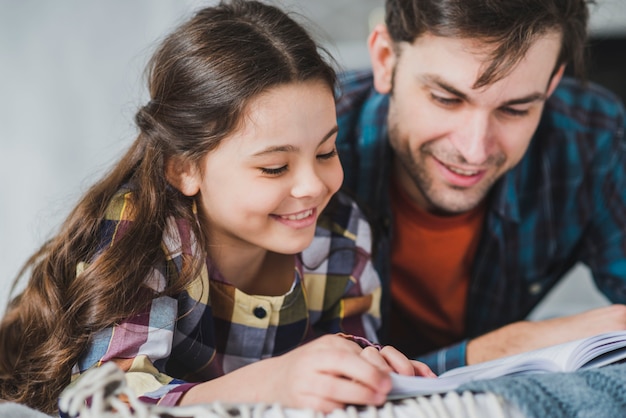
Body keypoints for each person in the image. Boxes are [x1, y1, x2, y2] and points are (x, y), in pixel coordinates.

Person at [0, 1, 434, 414]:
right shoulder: (147, 235)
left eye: (325, 152)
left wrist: (378, 371)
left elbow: (353, 351)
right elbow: (106, 400)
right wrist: (271, 383)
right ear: (184, 168)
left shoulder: (342, 237)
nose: (313, 186)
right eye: (274, 167)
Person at [335, 0, 626, 374]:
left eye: (516, 109)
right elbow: (279, 368)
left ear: (552, 81)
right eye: (446, 98)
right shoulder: (299, 147)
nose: (474, 151)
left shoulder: (589, 137)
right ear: (385, 58)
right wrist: (508, 346)